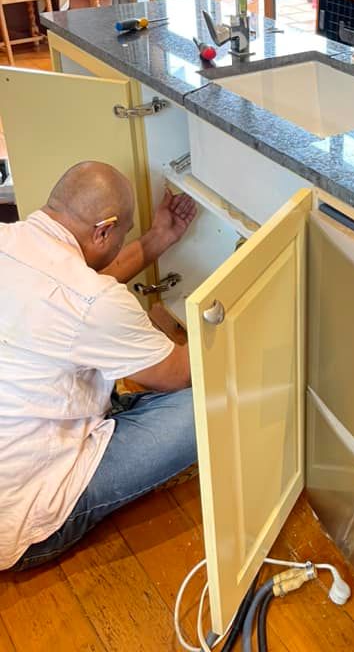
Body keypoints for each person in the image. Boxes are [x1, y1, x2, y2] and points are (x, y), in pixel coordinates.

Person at [0, 161, 198, 571]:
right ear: (104, 230)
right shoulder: (93, 301)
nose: (120, 240)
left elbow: (84, 289)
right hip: (26, 517)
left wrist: (158, 238)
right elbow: (181, 373)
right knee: (207, 406)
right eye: (121, 233)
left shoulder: (9, 239)